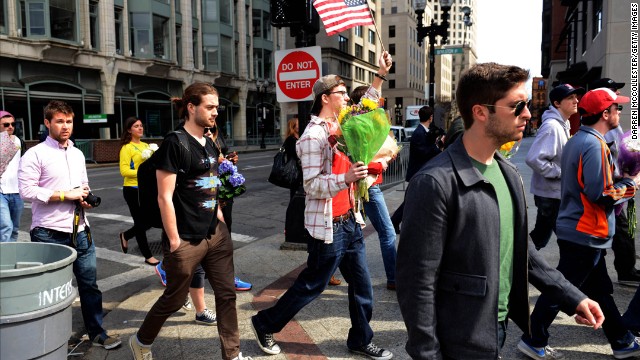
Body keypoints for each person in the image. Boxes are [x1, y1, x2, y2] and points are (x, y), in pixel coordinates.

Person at [396, 63, 605, 359]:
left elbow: (525, 253)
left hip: (498, 328)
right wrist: (428, 354)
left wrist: (574, 298)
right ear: (481, 112)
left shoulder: (508, 173)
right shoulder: (433, 182)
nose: (528, 114)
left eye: (528, 105)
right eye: (517, 106)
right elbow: (416, 284)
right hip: (458, 338)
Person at [250, 51, 394, 360]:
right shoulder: (311, 137)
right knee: (312, 285)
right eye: (341, 94)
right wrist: (346, 177)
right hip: (328, 226)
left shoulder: (344, 122)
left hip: (350, 221)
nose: (346, 98)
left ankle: (359, 339)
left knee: (362, 287)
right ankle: (264, 323)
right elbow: (312, 185)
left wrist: (381, 73)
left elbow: (367, 102)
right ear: (326, 98)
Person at [129, 83, 252, 360]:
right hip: (185, 238)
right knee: (173, 298)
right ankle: (141, 342)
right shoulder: (175, 142)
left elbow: (210, 183)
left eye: (217, 107)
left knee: (226, 295)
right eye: (210, 107)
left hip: (215, 233)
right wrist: (173, 241)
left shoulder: (209, 141)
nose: (215, 113)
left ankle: (232, 355)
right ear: (191, 107)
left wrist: (218, 215)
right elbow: (164, 196)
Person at [520, 87, 640, 359]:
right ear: (605, 113)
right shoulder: (593, 144)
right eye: (616, 108)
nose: (619, 112)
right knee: (561, 290)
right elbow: (601, 194)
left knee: (600, 291)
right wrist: (632, 184)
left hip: (581, 229)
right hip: (586, 230)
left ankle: (621, 341)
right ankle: (533, 337)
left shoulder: (579, 139)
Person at [18, 100, 122, 349]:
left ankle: (97, 332)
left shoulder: (76, 153)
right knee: (49, 289)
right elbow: (26, 191)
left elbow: (82, 186)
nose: (65, 126)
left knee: (90, 286)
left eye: (69, 121)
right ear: (47, 123)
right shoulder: (35, 154)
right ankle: (47, 340)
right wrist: (65, 195)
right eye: (59, 121)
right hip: (48, 233)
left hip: (81, 230)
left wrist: (84, 198)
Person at [525, 83, 585, 250]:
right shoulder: (552, 127)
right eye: (570, 98)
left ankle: (519, 263)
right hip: (550, 196)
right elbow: (533, 158)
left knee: (541, 236)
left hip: (553, 194)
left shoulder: (561, 124)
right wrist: (562, 173)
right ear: (557, 103)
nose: (576, 101)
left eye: (576, 97)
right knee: (567, 240)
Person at [351, 85, 397, 291]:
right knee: (387, 232)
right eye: (376, 100)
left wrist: (388, 154)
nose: (379, 104)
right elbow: (353, 159)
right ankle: (394, 278)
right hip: (368, 186)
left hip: (368, 185)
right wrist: (379, 164)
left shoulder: (365, 124)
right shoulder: (356, 125)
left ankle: (330, 272)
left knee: (352, 233)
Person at [595, 77, 640, 286]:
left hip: (619, 184)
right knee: (617, 231)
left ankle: (622, 270)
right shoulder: (595, 134)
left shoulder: (612, 122)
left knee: (621, 230)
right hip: (612, 189)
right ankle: (621, 271)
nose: (619, 107)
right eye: (612, 91)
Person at [390, 105, 442, 233]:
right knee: (409, 201)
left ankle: (398, 222)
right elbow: (423, 152)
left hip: (421, 172)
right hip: (417, 173)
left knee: (413, 200)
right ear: (431, 118)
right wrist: (436, 148)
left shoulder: (423, 131)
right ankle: (394, 221)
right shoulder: (419, 133)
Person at [118, 116, 160, 265]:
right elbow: (124, 171)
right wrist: (142, 173)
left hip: (147, 189)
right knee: (140, 222)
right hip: (132, 189)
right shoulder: (126, 148)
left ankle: (126, 235)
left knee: (149, 221)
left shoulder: (147, 146)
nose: (140, 128)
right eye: (136, 126)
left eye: (141, 125)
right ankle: (148, 256)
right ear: (129, 130)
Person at [0, 110, 25, 242]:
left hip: (17, 191)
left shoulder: (19, 141)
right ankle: (3, 259)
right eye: (6, 124)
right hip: (1, 192)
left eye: (12, 124)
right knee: (6, 227)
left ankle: (10, 256)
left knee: (14, 229)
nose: (10, 126)